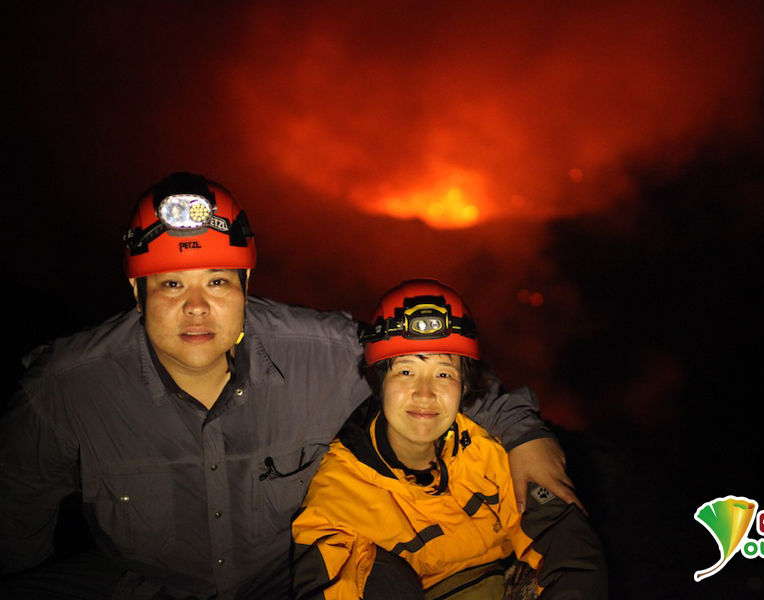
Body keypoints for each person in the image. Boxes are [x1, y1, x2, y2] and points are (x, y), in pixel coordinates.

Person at [0, 173, 579, 599]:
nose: (197, 309)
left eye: (219, 281)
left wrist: (527, 437)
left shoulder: (324, 355)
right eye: (172, 283)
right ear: (136, 293)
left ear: (247, 281)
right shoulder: (66, 391)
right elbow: (16, 519)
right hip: (147, 585)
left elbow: (438, 375)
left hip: (295, 583)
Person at [292, 279, 606, 599]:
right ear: (378, 379)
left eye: (444, 374)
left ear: (465, 386)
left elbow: (566, 547)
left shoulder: (495, 449)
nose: (425, 394)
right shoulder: (338, 493)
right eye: (406, 371)